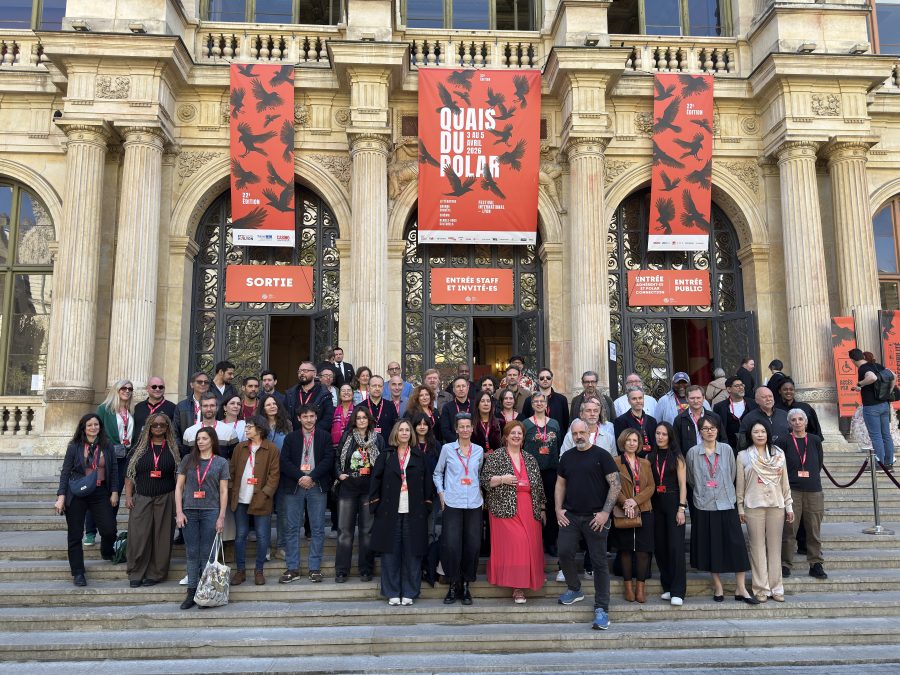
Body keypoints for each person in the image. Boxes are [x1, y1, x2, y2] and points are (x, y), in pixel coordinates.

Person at [555, 418, 620, 631]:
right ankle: (575, 589)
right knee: (564, 552)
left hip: (596, 517)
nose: (579, 437)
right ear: (571, 435)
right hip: (571, 516)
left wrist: (605, 513)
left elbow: (615, 485)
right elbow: (560, 484)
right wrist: (558, 509)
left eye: (582, 432)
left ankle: (602, 609)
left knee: (600, 563)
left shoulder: (602, 455)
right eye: (575, 434)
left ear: (590, 432)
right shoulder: (567, 457)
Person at [685, 416, 758, 604]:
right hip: (704, 505)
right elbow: (691, 478)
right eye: (705, 428)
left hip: (726, 503)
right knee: (712, 547)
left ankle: (741, 587)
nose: (709, 431)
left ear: (718, 430)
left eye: (713, 428)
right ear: (699, 432)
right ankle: (717, 585)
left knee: (736, 545)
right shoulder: (693, 452)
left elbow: (732, 474)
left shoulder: (727, 450)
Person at [369, 419, 434, 605]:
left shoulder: (419, 456)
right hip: (390, 511)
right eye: (401, 430)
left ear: (411, 434)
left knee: (412, 553)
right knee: (390, 553)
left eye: (407, 430)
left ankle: (410, 592)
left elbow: (427, 483)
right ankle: (391, 592)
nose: (404, 433)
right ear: (395, 433)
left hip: (414, 511)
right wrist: (376, 506)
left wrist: (427, 505)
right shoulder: (386, 456)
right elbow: (376, 482)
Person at [480, 420, 546, 604]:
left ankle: (528, 577)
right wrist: (502, 479)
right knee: (519, 545)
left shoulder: (530, 458)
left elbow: (539, 486)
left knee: (530, 545)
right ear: (506, 437)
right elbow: (485, 481)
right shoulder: (496, 456)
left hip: (529, 507)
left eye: (520, 434)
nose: (516, 436)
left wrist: (542, 508)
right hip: (504, 508)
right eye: (513, 433)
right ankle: (517, 588)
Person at [55, 413, 119, 586]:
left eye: (96, 425)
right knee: (75, 535)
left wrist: (114, 491)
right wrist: (61, 497)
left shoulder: (107, 446)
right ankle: (78, 572)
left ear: (100, 427)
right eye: (89, 425)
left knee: (109, 529)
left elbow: (113, 470)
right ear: (83, 427)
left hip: (99, 491)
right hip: (76, 492)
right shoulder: (74, 446)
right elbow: (66, 472)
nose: (93, 428)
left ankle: (106, 550)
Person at [736, 421, 794, 602]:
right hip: (753, 506)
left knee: (775, 548)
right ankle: (761, 588)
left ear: (768, 433)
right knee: (757, 548)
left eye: (762, 431)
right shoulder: (743, 456)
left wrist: (789, 505)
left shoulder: (779, 454)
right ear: (750, 435)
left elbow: (785, 482)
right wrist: (740, 508)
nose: (760, 435)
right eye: (756, 432)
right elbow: (740, 486)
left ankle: (777, 588)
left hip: (777, 505)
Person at [174, 427, 229, 609]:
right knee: (191, 552)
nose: (200, 442)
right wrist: (179, 512)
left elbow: (223, 491)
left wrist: (221, 516)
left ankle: (206, 592)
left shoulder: (221, 462)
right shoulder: (188, 460)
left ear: (212, 440)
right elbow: (179, 488)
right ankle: (191, 592)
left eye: (204, 438)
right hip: (189, 510)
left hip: (210, 511)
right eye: (198, 439)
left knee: (207, 552)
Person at [278, 405, 334, 583]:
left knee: (317, 528)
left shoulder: (324, 436)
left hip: (316, 485)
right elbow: (284, 461)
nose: (309, 419)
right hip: (295, 486)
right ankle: (292, 568)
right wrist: (301, 477)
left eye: (312, 416)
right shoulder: (291, 437)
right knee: (292, 528)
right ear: (299, 419)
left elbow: (328, 460)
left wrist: (312, 477)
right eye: (305, 416)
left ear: (316, 418)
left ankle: (314, 568)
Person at [123, 413, 179, 588]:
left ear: (168, 428)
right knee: (139, 536)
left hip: (166, 496)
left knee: (162, 537)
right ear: (148, 427)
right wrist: (128, 495)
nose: (159, 428)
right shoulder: (138, 449)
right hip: (142, 497)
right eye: (155, 425)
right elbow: (130, 475)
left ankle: (156, 573)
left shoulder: (174, 449)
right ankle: (136, 571)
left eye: (162, 425)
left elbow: (178, 476)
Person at [434, 413, 484, 605]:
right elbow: (438, 473)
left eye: (467, 426)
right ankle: (453, 584)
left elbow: (478, 473)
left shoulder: (478, 451)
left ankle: (466, 586)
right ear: (456, 429)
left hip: (473, 502)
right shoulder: (447, 449)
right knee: (452, 545)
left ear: (472, 429)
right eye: (461, 426)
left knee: (472, 545)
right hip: (452, 502)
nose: (464, 430)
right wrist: (441, 493)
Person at [229, 415, 280, 586]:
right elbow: (232, 471)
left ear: (259, 428)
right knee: (240, 535)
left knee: (262, 536)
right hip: (241, 498)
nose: (246, 429)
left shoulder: (271, 449)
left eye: (249, 427)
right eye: (246, 427)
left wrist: (266, 493)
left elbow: (274, 476)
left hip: (261, 499)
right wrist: (231, 491)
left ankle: (259, 570)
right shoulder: (239, 448)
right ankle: (240, 571)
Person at [334, 406, 384, 582]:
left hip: (368, 490)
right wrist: (339, 474)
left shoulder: (378, 439)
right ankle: (341, 570)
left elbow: (383, 462)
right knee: (344, 531)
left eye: (364, 417)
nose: (361, 420)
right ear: (354, 420)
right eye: (358, 418)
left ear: (369, 419)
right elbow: (338, 457)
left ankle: (366, 569)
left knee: (367, 531)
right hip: (348, 488)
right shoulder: (347, 437)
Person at [778, 408, 828, 580]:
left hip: (814, 490)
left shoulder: (814, 440)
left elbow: (818, 462)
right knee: (789, 530)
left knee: (813, 530)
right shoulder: (784, 441)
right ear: (789, 423)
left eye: (800, 419)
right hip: (792, 491)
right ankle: (785, 564)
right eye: (794, 420)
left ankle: (816, 563)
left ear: (806, 422)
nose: (797, 422)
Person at [612, 429, 656, 604]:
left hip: (644, 509)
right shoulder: (615, 462)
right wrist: (626, 503)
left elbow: (651, 487)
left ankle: (640, 588)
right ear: (623, 442)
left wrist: (635, 501)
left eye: (635, 440)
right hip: (623, 511)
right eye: (629, 440)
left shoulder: (645, 463)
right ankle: (628, 587)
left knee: (644, 551)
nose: (632, 443)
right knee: (626, 550)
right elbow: (613, 486)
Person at [89, 379, 134, 544]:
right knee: (99, 493)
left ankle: (109, 531)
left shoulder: (130, 411)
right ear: (116, 390)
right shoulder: (104, 409)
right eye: (123, 388)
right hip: (106, 457)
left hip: (124, 457)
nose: (127, 391)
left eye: (130, 389)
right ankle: (91, 531)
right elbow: (94, 432)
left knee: (115, 493)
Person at [648, 422, 688, 606]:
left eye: (664, 434)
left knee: (675, 547)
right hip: (656, 504)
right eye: (657, 433)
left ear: (670, 436)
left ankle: (678, 590)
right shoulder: (650, 456)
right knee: (660, 547)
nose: (660, 437)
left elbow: (682, 485)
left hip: (673, 503)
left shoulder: (678, 457)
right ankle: (668, 587)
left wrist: (681, 508)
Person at [522, 392, 561, 556]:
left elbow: (558, 445)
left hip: (551, 470)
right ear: (532, 405)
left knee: (552, 506)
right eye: (536, 401)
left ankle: (551, 541)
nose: (539, 403)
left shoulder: (554, 424)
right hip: (532, 471)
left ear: (546, 404)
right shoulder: (525, 424)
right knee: (533, 506)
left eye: (541, 401)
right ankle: (535, 541)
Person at [261, 392, 293, 561]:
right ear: (263, 408)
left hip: (282, 473)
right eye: (268, 404)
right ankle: (264, 547)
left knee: (283, 512)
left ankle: (281, 547)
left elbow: (292, 447)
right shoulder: (259, 424)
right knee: (265, 511)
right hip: (263, 474)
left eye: (274, 404)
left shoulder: (287, 424)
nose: (272, 406)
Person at [851, 348, 895, 468]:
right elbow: (893, 375)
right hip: (884, 404)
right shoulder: (877, 365)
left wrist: (860, 383)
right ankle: (889, 462)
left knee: (876, 436)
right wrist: (889, 392)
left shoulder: (863, 368)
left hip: (872, 407)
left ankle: (879, 464)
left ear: (853, 360)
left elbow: (872, 378)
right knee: (886, 434)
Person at [284, 361, 335, 433]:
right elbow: (285, 416)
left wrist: (313, 432)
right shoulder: (290, 394)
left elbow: (328, 418)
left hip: (317, 437)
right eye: (300, 371)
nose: (301, 373)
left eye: (305, 371)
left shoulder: (325, 394)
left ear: (314, 374)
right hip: (294, 437)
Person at [674, 385, 726, 453]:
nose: (696, 401)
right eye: (692, 398)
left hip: (713, 458)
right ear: (686, 399)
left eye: (698, 398)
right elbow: (676, 444)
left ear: (703, 398)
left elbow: (723, 439)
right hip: (689, 460)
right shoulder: (679, 420)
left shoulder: (715, 417)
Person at [713, 377, 757, 451]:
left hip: (752, 446)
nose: (741, 388)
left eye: (742, 385)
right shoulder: (719, 407)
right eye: (737, 386)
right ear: (729, 389)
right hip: (729, 447)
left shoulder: (753, 404)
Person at [613, 388, 659, 456]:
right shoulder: (620, 421)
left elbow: (655, 444)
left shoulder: (652, 421)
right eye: (634, 399)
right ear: (628, 401)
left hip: (650, 461)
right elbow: (620, 446)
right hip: (632, 461)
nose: (638, 401)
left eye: (640, 398)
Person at [174, 372, 211, 457]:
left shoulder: (214, 405)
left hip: (209, 450)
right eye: (199, 381)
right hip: (187, 450)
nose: (203, 384)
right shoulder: (181, 406)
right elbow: (175, 431)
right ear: (191, 385)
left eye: (206, 382)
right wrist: (182, 449)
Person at [359, 375, 399, 446]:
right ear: (368, 388)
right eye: (374, 386)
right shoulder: (360, 407)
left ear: (383, 388)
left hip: (387, 449)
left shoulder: (390, 406)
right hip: (365, 450)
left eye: (380, 386)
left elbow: (396, 428)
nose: (377, 388)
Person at [133, 376, 176, 442]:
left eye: (161, 387)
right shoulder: (138, 407)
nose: (157, 389)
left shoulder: (173, 408)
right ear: (147, 388)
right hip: (139, 449)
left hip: (162, 449)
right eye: (154, 387)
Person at [440, 376, 473, 443]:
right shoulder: (447, 407)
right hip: (453, 445)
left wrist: (470, 444)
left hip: (474, 446)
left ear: (468, 388)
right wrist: (459, 443)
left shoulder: (475, 405)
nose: (461, 389)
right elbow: (445, 430)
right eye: (458, 386)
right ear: (453, 390)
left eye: (463, 386)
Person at [217, 393, 248, 459]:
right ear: (225, 407)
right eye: (232, 403)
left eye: (238, 404)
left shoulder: (244, 424)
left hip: (238, 460)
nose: (236, 406)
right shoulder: (217, 425)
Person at [472, 390, 502, 454]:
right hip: (477, 460)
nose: (486, 404)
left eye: (488, 401)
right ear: (477, 404)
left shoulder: (500, 423)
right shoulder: (471, 423)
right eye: (482, 401)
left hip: (496, 460)